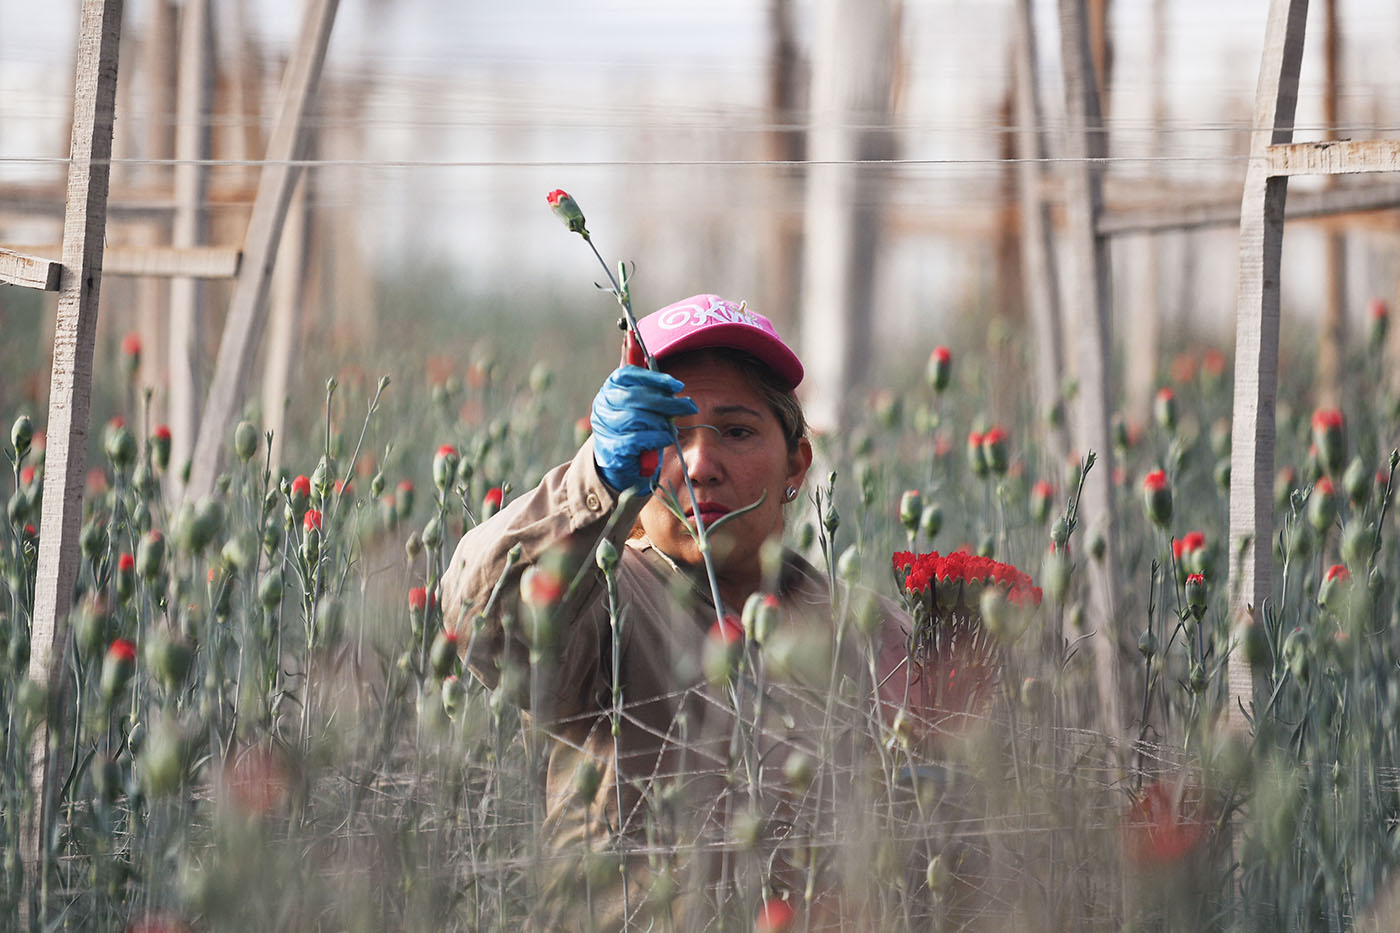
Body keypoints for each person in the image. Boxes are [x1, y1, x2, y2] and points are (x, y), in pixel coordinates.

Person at [440, 294, 981, 931]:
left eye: (737, 430)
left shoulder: (874, 633)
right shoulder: (603, 604)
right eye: (670, 433)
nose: (699, 465)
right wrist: (595, 484)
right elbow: (483, 619)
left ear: (797, 466)